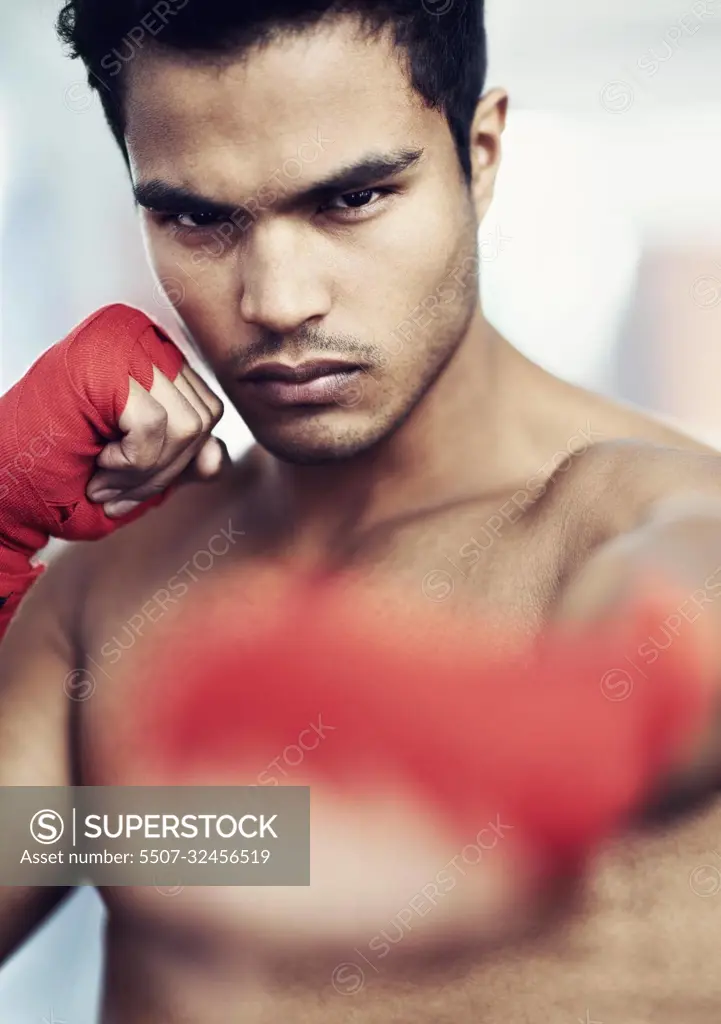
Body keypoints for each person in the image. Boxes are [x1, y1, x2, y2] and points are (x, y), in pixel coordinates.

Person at [2, 1, 721, 1021]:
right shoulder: (112, 586)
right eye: (198, 217)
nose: (277, 298)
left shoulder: (646, 515)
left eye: (351, 198)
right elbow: (83, 838)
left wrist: (538, 756)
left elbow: (665, 656)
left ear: (478, 155)